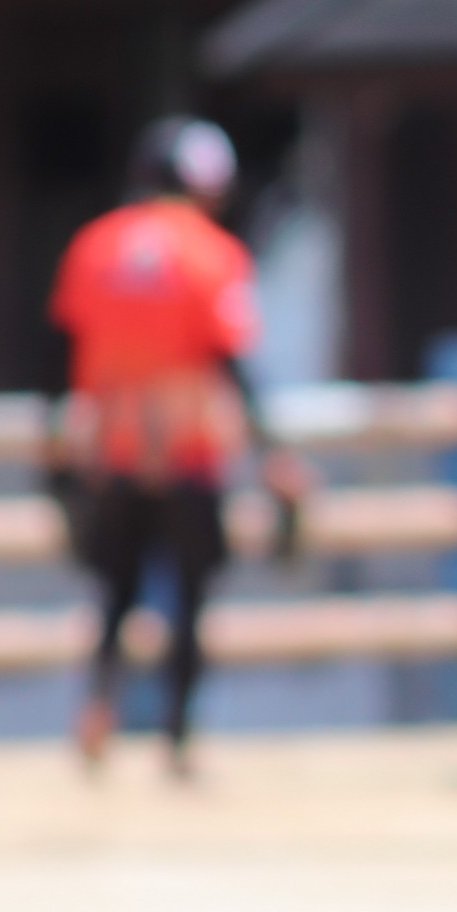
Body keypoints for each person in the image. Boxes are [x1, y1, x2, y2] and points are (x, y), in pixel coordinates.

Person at [48, 117, 289, 776]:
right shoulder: (212, 253)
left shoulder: (94, 245)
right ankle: (177, 737)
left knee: (115, 594)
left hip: (113, 449)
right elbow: (234, 360)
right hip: (187, 450)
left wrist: (56, 450)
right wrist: (272, 450)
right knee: (190, 598)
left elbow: (61, 353)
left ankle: (98, 707)